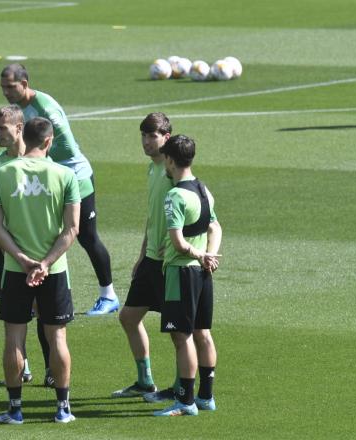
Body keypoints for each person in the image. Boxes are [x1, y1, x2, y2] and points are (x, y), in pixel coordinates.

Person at [0, 64, 118, 315]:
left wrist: (32, 158)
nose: (6, 92)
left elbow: (65, 148)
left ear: (25, 83)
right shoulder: (19, 108)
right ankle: (35, 297)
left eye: (11, 87)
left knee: (86, 236)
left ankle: (109, 295)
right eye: (3, 88)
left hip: (74, 176)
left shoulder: (46, 109)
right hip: (47, 177)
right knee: (39, 234)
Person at [0, 117, 80, 424]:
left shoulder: (2, 172)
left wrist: (21, 258)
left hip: (15, 270)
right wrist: (45, 262)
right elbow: (73, 228)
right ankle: (63, 408)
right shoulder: (65, 174)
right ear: (49, 141)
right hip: (54, 271)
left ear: (24, 136)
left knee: (14, 338)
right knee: (58, 338)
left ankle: (15, 409)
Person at [0, 104, 53, 387]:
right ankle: (23, 368)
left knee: (44, 310)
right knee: (14, 311)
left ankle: (51, 368)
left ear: (19, 128)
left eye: (2, 128)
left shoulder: (42, 158)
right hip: (4, 248)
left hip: (39, 249)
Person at [153, 135, 222, 417]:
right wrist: (209, 256)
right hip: (203, 273)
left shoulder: (175, 196)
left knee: (182, 337)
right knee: (202, 333)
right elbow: (215, 228)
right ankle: (206, 397)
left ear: (169, 159)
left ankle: (185, 401)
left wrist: (199, 255)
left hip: (181, 272)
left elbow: (179, 243)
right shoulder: (204, 190)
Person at [112, 113, 178, 400]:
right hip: (151, 259)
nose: (146, 141)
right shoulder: (152, 170)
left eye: (152, 136)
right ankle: (145, 381)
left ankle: (181, 386)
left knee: (178, 330)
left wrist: (177, 243)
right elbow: (152, 218)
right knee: (128, 317)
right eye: (143, 135)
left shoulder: (171, 169)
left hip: (169, 262)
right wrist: (141, 255)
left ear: (166, 136)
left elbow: (190, 207)